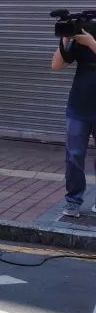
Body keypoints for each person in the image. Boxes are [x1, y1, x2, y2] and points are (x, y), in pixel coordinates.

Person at [51, 28, 96, 217]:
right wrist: (65, 40)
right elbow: (56, 65)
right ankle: (73, 201)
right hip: (79, 106)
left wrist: (92, 44)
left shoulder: (88, 40)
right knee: (74, 157)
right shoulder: (81, 39)